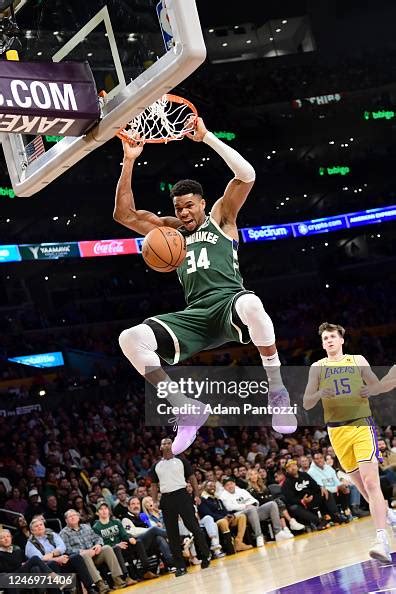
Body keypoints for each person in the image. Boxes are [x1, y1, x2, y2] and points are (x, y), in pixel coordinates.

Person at [115, 117, 297, 456]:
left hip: (230, 303)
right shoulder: (169, 233)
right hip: (195, 314)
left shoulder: (221, 217)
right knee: (130, 338)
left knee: (253, 304)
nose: (183, 213)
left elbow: (247, 175)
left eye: (188, 206)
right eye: (177, 208)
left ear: (201, 202)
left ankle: (277, 391)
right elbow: (124, 215)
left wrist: (208, 137)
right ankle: (184, 406)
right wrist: (129, 160)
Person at [303, 322, 396, 563]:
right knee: (364, 489)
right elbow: (306, 403)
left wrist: (383, 384)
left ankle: (381, 540)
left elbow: (376, 387)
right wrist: (318, 394)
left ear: (342, 340)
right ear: (322, 344)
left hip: (361, 425)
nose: (329, 341)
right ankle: (390, 516)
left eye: (333, 336)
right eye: (325, 338)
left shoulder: (357, 360)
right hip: (336, 433)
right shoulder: (317, 367)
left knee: (370, 483)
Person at [149, 437, 211, 577]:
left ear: (173, 445)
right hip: (166, 498)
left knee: (194, 527)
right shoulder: (156, 466)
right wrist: (154, 501)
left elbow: (192, 478)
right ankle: (180, 566)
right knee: (172, 533)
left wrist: (196, 495)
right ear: (160, 447)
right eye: (163, 443)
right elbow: (153, 485)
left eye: (169, 443)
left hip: (182, 496)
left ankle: (206, 556)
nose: (166, 445)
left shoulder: (182, 461)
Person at [60, 509, 127, 593]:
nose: (73, 517)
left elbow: (97, 538)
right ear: (66, 520)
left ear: (78, 517)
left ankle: (117, 579)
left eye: (74, 515)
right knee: (84, 555)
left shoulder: (86, 527)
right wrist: (83, 551)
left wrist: (98, 545)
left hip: (94, 555)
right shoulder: (63, 533)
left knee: (107, 548)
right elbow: (67, 549)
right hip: (82, 561)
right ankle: (100, 584)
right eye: (70, 516)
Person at [25, 516, 97, 594]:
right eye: (36, 526)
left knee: (76, 557)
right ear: (32, 531)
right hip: (47, 570)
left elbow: (62, 547)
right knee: (52, 563)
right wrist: (56, 559)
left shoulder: (52, 534)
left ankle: (90, 588)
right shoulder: (30, 544)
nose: (39, 527)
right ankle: (65, 590)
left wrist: (53, 554)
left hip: (61, 560)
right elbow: (40, 559)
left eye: (41, 525)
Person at [92, 501, 155, 582]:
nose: (104, 511)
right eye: (101, 509)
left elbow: (124, 534)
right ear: (97, 513)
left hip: (123, 546)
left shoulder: (116, 522)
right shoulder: (96, 527)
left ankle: (146, 571)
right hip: (111, 550)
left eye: (106, 508)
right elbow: (101, 543)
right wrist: (117, 544)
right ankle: (126, 577)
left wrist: (130, 538)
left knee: (138, 542)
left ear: (108, 510)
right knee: (117, 548)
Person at [220, 476, 291, 546]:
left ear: (234, 483)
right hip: (239, 515)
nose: (230, 486)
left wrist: (251, 505)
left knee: (272, 504)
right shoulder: (223, 496)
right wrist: (245, 506)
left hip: (252, 511)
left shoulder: (241, 491)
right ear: (224, 487)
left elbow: (255, 501)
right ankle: (259, 536)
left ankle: (278, 532)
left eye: (231, 483)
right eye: (227, 485)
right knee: (251, 508)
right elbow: (230, 507)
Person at [199, 480, 252, 553]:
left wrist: (230, 515)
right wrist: (222, 517)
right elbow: (207, 514)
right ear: (205, 488)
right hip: (214, 522)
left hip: (225, 518)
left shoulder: (217, 498)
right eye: (210, 486)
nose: (213, 487)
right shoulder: (202, 500)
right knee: (223, 521)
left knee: (241, 516)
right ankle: (229, 547)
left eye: (214, 486)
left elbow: (225, 510)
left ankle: (238, 542)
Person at [246, 468, 305, 533]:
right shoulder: (249, 490)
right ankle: (290, 523)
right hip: (261, 509)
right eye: (251, 475)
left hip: (271, 505)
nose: (254, 476)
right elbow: (258, 502)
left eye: (255, 474)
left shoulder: (263, 486)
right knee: (276, 502)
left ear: (257, 475)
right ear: (249, 477)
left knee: (277, 502)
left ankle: (286, 528)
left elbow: (269, 496)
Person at [307, 453, 351, 520]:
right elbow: (321, 487)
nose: (319, 460)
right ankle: (336, 514)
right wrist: (336, 488)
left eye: (321, 458)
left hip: (334, 491)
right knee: (327, 492)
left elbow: (336, 481)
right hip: (323, 495)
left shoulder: (328, 467)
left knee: (345, 488)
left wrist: (341, 486)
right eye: (317, 459)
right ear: (313, 460)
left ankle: (347, 511)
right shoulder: (311, 472)